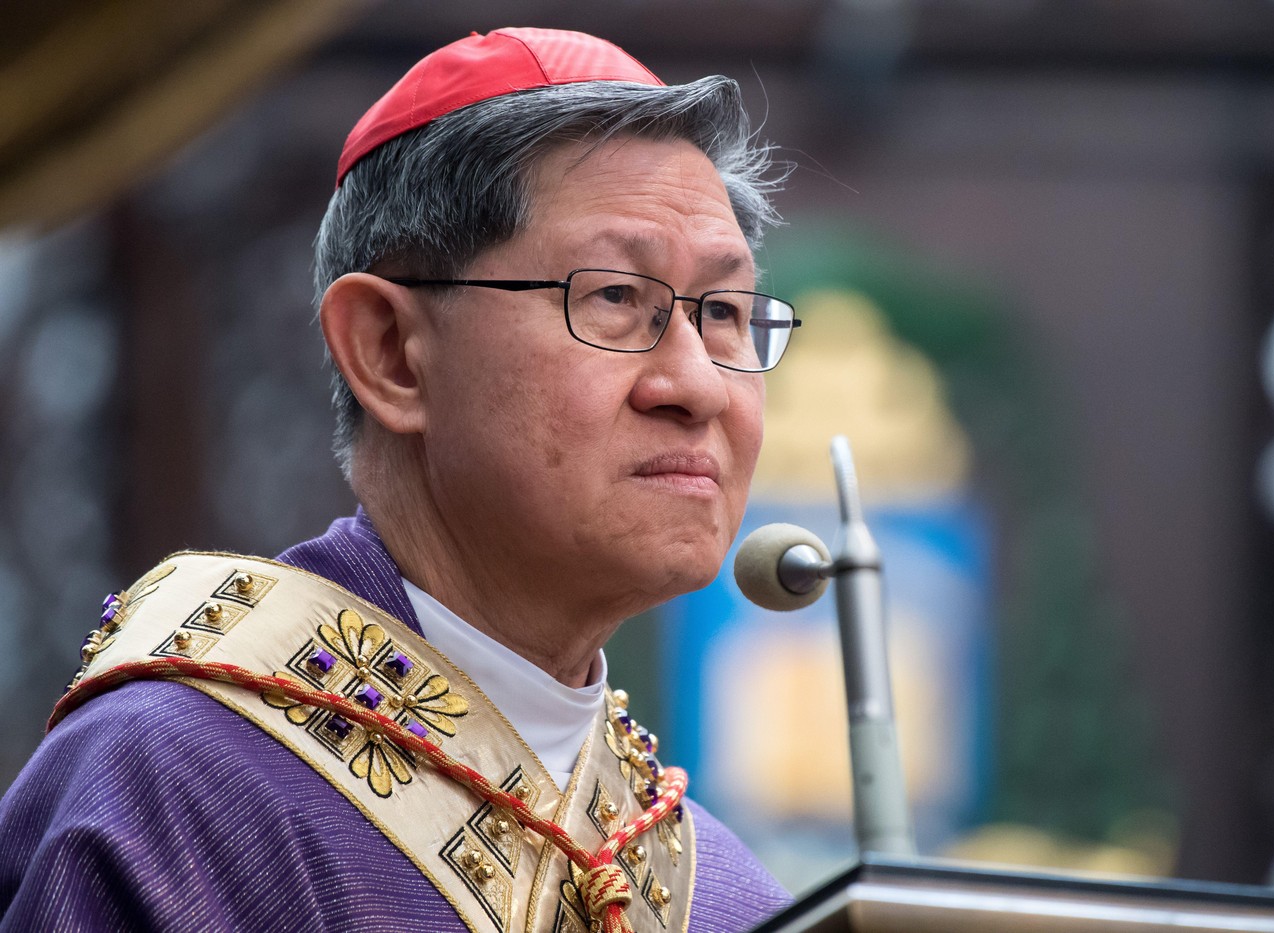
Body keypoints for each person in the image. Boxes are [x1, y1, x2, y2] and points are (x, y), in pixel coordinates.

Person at [0, 27, 802, 933]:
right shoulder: (174, 792)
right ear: (391, 355)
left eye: (728, 312)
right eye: (616, 297)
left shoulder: (730, 895)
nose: (696, 384)